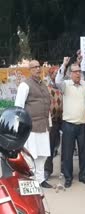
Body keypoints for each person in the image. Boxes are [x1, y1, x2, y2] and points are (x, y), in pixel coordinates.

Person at [55, 58, 85, 188]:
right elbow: (57, 81)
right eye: (75, 72)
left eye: (79, 72)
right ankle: (68, 177)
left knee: (84, 151)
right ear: (70, 74)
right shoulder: (65, 85)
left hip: (83, 124)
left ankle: (83, 176)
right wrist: (64, 64)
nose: (78, 74)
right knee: (67, 152)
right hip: (68, 124)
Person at [15, 60, 52, 188]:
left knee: (43, 154)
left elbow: (47, 105)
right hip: (31, 127)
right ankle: (31, 181)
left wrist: (50, 123)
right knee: (31, 155)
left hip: (44, 125)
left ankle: (40, 179)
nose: (37, 69)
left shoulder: (44, 85)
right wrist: (20, 127)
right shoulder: (25, 85)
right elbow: (18, 107)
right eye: (34, 67)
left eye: (39, 66)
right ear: (30, 70)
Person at [44, 66, 63, 180]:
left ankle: (65, 171)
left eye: (57, 74)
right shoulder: (46, 87)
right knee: (50, 146)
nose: (56, 76)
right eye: (54, 74)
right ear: (50, 74)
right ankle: (47, 170)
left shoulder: (62, 86)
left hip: (64, 120)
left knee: (65, 147)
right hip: (52, 121)